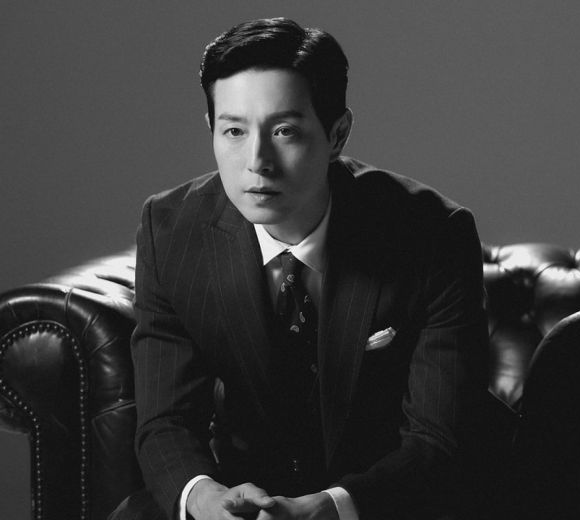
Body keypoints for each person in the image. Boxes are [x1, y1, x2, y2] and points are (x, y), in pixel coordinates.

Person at [112, 17, 489, 520]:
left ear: (337, 134)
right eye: (234, 131)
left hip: (386, 498)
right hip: (244, 491)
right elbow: (165, 421)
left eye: (285, 131)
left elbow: (437, 438)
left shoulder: (433, 234)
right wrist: (205, 498)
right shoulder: (170, 230)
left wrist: (336, 506)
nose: (257, 161)